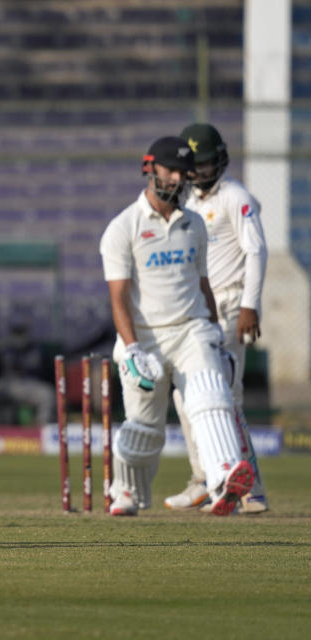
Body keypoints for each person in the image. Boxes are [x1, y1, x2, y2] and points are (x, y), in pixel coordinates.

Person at [98, 136, 253, 517]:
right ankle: (127, 493)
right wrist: (131, 347)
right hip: (145, 338)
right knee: (144, 429)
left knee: (209, 396)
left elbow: (203, 285)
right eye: (170, 171)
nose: (177, 180)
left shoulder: (194, 224)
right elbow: (118, 298)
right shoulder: (123, 228)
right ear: (149, 169)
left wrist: (215, 332)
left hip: (190, 329)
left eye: (183, 174)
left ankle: (224, 478)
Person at [164, 123, 269, 514]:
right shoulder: (185, 197)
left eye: (207, 163)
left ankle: (247, 489)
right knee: (188, 393)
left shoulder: (236, 196)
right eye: (195, 165)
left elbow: (256, 252)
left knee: (222, 396)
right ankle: (209, 480)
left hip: (228, 307)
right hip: (196, 311)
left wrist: (250, 305)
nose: (201, 172)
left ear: (220, 159)